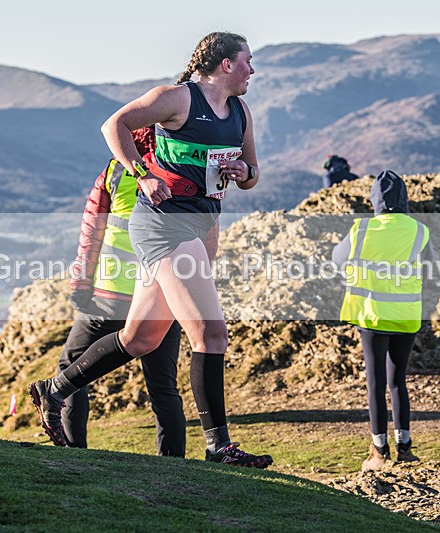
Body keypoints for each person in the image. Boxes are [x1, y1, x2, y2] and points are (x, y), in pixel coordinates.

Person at [30, 31, 273, 468]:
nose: (252, 70)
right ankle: (219, 447)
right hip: (164, 224)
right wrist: (142, 173)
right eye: (247, 61)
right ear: (225, 64)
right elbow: (114, 125)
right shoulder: (177, 98)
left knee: (140, 338)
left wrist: (243, 170)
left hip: (199, 223)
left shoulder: (240, 112)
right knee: (212, 334)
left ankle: (55, 390)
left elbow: (253, 174)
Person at [60, 125, 217, 455]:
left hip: (110, 295)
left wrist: (81, 284)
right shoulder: (182, 176)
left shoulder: (114, 172)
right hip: (164, 295)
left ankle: (72, 451)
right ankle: (172, 463)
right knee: (163, 387)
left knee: (71, 369)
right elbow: (203, 234)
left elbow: (91, 233)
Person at [332, 171, 430, 471]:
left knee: (375, 384)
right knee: (398, 382)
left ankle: (379, 452)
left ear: (375, 200)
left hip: (372, 315)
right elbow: (428, 267)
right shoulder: (419, 230)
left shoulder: (362, 229)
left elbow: (337, 259)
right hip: (406, 316)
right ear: (404, 198)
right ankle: (405, 449)